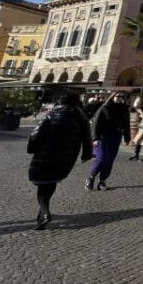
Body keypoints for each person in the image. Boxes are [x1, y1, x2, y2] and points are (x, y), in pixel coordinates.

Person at [27, 92, 93, 230]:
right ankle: (41, 213)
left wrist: (31, 148)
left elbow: (36, 134)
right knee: (51, 181)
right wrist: (86, 154)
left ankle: (45, 213)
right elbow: (87, 138)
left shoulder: (52, 114)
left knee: (42, 184)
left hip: (46, 153)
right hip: (66, 157)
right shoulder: (81, 118)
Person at [85, 92, 130, 191]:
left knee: (110, 159)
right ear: (112, 97)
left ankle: (102, 180)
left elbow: (126, 124)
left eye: (122, 96)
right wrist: (95, 138)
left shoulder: (125, 109)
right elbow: (96, 123)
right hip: (102, 137)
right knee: (102, 157)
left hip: (115, 137)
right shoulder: (104, 108)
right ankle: (91, 177)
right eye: (118, 96)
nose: (120, 98)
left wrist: (127, 138)